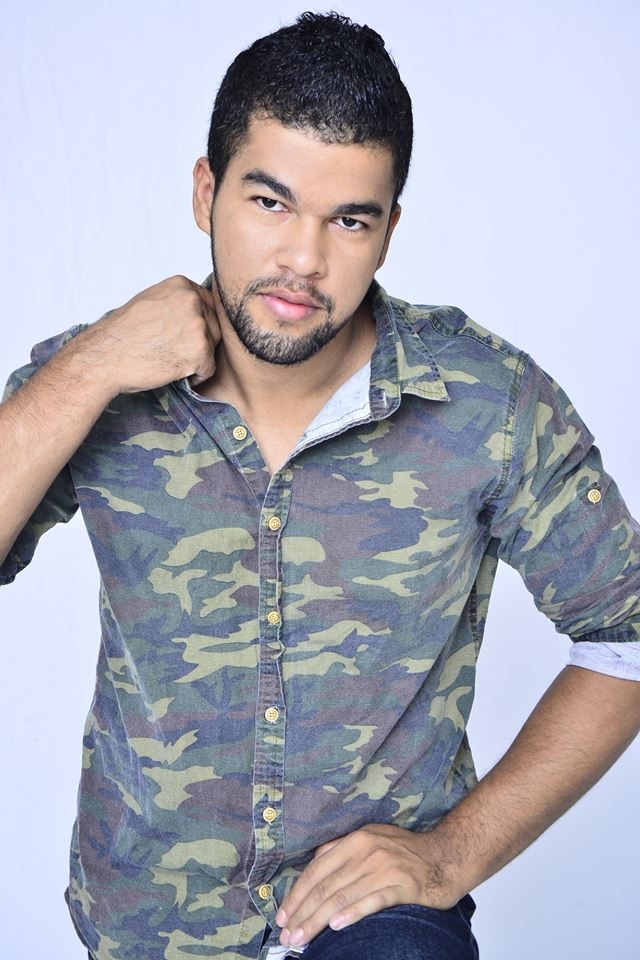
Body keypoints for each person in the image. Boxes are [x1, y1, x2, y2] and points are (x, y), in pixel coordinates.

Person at [1, 11, 639, 960]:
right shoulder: (93, 378)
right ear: (206, 192)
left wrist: (450, 855)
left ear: (389, 230)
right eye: (270, 202)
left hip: (377, 929)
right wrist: (90, 368)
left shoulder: (486, 401)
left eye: (349, 219)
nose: (303, 260)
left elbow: (628, 633)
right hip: (148, 925)